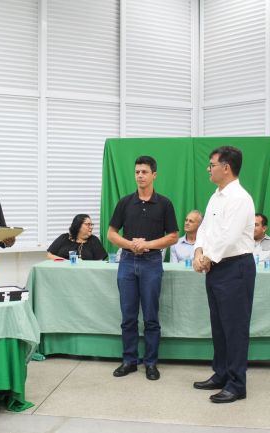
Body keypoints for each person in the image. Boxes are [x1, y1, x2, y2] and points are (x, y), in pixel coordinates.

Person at [192, 146, 255, 404]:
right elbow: (205, 228)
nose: (209, 169)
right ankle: (221, 374)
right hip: (216, 266)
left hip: (235, 267)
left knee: (235, 328)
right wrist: (198, 252)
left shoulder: (240, 198)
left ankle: (237, 384)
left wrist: (206, 258)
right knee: (219, 326)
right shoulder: (216, 196)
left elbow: (229, 236)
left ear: (226, 168)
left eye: (212, 164)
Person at [107, 156, 178, 381]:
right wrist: (131, 245)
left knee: (150, 316)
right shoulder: (125, 202)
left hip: (152, 262)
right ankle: (129, 360)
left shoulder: (165, 204)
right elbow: (111, 234)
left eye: (144, 172)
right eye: (137, 171)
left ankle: (151, 363)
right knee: (128, 316)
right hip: (127, 261)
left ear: (154, 175)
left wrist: (147, 244)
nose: (140, 175)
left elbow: (173, 236)